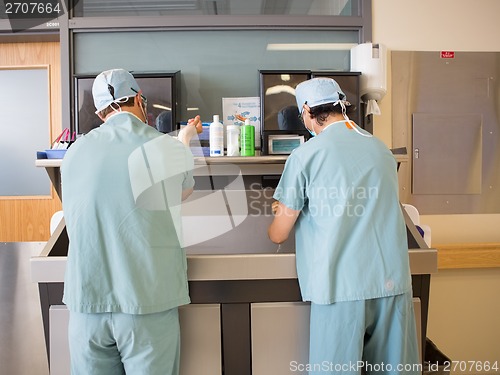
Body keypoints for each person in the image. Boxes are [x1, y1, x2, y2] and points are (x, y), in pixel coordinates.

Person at [268, 77, 420, 374]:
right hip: (391, 284)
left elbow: (279, 233)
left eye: (303, 116)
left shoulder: (305, 155)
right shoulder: (381, 150)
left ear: (308, 110)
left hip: (340, 288)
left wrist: (283, 213)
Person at [61, 68, 202, 375]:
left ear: (101, 113)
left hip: (88, 307)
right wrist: (185, 139)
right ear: (140, 100)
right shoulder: (164, 146)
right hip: (146, 305)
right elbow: (183, 192)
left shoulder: (73, 153)